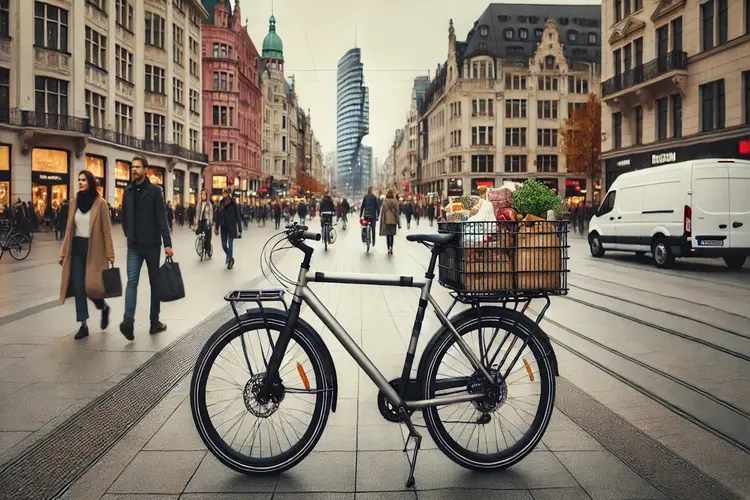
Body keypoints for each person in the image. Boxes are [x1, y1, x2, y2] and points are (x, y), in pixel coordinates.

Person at [120, 156, 173, 341]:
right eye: (132, 167)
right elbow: (123, 216)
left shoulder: (155, 191)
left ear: (145, 170)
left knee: (155, 283)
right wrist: (129, 234)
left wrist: (167, 244)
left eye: (137, 167)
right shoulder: (127, 191)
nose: (134, 170)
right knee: (131, 282)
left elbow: (161, 218)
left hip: (152, 245)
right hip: (134, 245)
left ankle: (154, 322)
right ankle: (128, 322)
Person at [59, 171, 114, 340]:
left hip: (94, 249)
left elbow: (106, 230)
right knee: (78, 286)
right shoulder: (74, 203)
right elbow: (69, 230)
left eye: (83, 179)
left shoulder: (100, 203)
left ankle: (103, 307)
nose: (80, 182)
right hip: (76, 248)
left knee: (90, 286)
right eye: (79, 179)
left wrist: (110, 253)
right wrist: (63, 252)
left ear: (90, 182)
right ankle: (83, 324)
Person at [215, 189, 242, 269]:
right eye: (223, 193)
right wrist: (216, 227)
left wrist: (240, 230)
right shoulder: (221, 203)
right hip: (223, 227)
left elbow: (237, 217)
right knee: (223, 245)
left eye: (226, 193)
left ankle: (230, 261)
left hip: (231, 227)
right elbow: (218, 216)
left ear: (228, 194)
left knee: (230, 245)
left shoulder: (233, 204)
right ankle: (230, 257)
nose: (224, 194)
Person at [379, 190, 401, 255]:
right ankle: (391, 247)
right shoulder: (395, 202)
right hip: (393, 221)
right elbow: (397, 213)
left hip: (387, 221)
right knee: (392, 235)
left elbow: (383, 212)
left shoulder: (385, 202)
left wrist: (382, 221)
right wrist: (399, 223)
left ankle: (388, 248)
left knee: (388, 235)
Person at [195, 190, 213, 255]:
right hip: (200, 221)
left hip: (206, 221)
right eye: (201, 194)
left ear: (206, 196)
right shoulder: (199, 204)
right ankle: (200, 245)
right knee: (200, 235)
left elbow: (210, 214)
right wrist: (196, 224)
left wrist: (210, 221)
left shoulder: (209, 204)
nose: (202, 196)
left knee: (208, 236)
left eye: (204, 194)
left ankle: (208, 248)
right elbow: (197, 214)